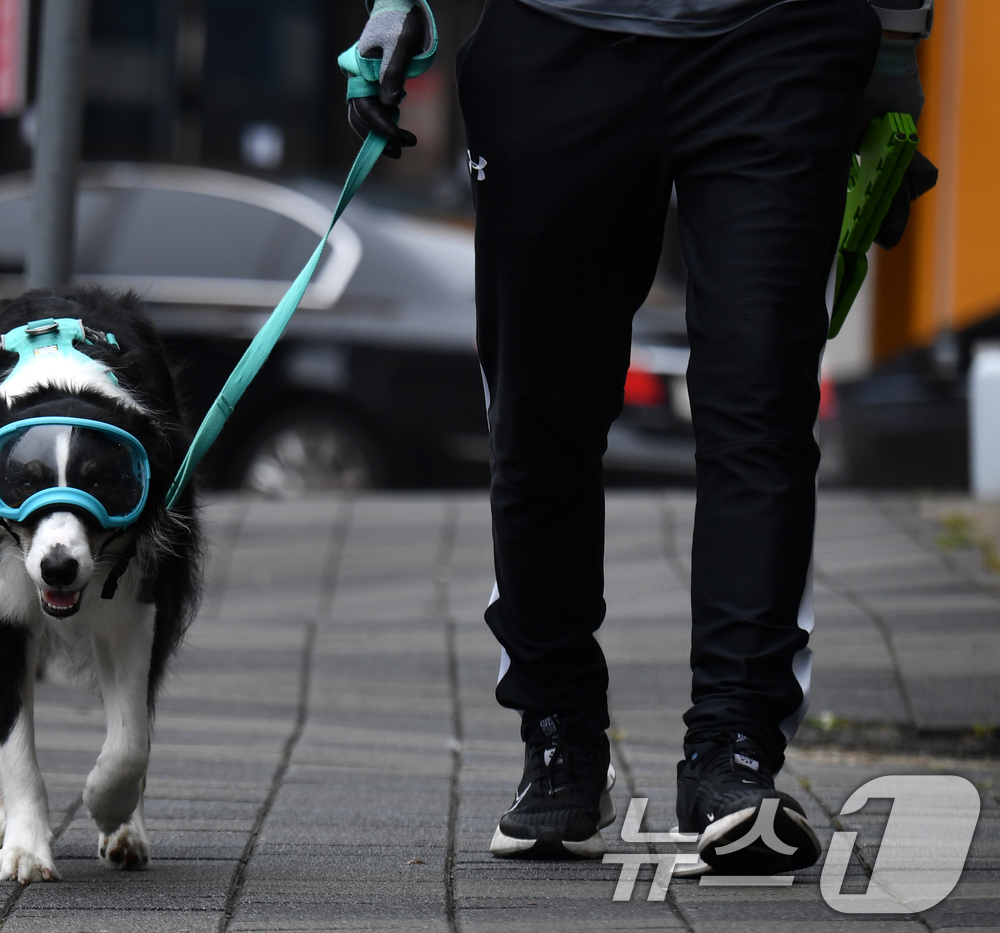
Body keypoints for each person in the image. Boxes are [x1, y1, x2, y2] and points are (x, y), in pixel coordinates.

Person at [346, 0, 934, 873]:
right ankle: (560, 734)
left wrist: (891, 52)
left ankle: (733, 752)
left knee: (761, 397)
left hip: (779, 38)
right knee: (540, 407)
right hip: (556, 32)